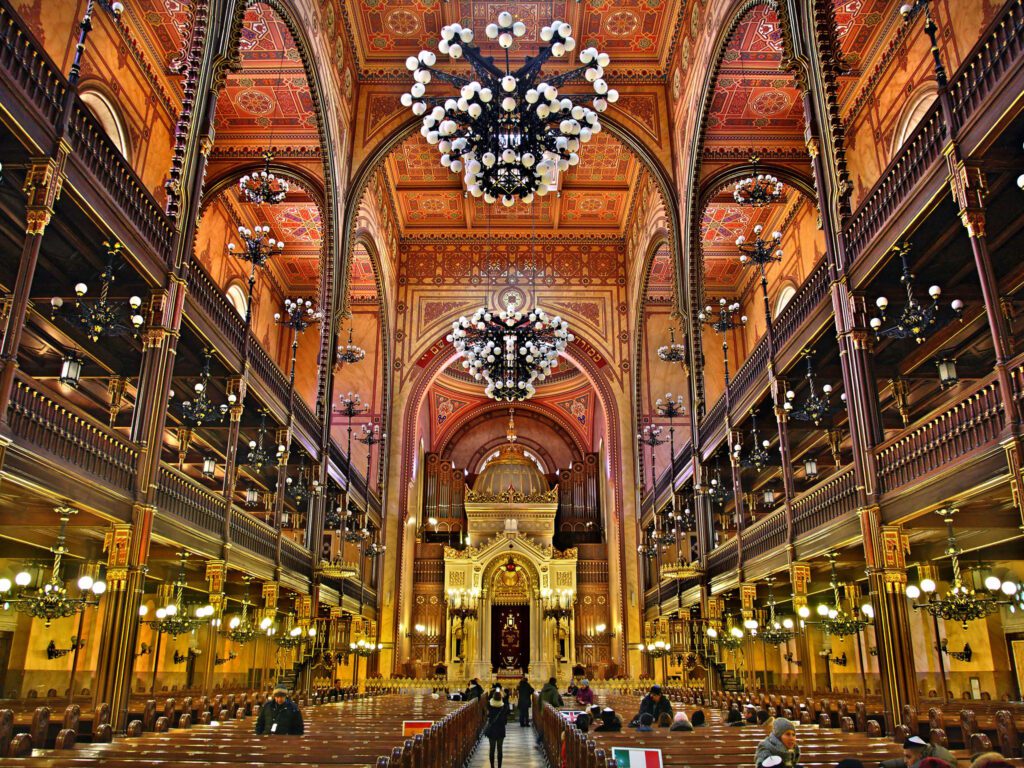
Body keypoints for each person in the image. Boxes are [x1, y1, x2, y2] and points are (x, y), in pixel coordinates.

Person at [880, 736, 956, 768]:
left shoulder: (940, 762)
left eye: (908, 757)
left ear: (920, 756)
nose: (905, 761)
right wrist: (885, 765)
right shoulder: (926, 750)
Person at [483, 688, 509, 768]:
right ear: (501, 698)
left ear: (493, 697)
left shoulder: (489, 705)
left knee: (492, 749)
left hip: (492, 730)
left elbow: (486, 713)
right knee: (500, 749)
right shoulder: (504, 706)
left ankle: (492, 766)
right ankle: (499, 766)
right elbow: (505, 720)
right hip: (501, 729)